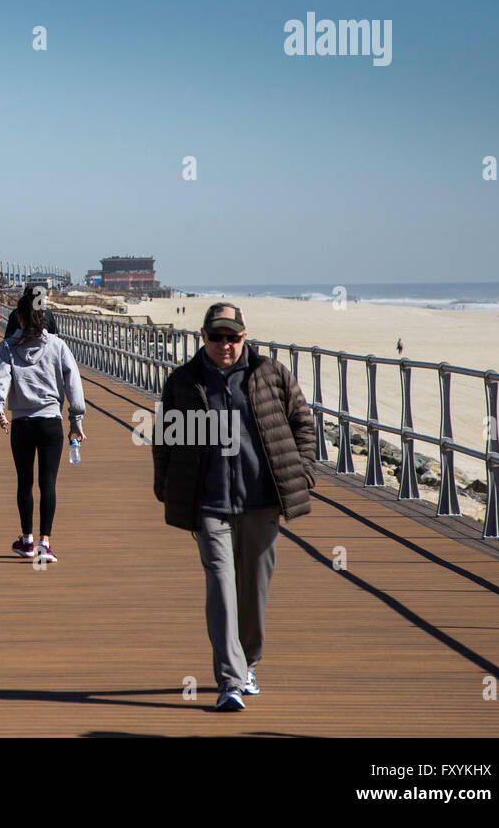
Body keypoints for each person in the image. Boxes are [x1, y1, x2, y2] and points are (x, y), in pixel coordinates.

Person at [155, 303, 316, 712]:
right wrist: (166, 485)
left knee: (254, 592)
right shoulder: (185, 381)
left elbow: (302, 423)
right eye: (217, 337)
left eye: (232, 337)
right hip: (209, 504)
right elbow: (166, 438)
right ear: (203, 337)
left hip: (261, 501)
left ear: (245, 337)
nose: (225, 345)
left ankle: (250, 661)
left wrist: (304, 473)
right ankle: (230, 679)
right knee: (222, 588)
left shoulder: (270, 374)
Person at [0, 286, 85, 564]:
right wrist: (76, 420)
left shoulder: (7, 347)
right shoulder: (57, 346)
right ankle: (45, 543)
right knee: (48, 483)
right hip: (51, 422)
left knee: (24, 481)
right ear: (43, 317)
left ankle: (26, 540)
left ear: (18, 317)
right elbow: (74, 385)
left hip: (22, 422)